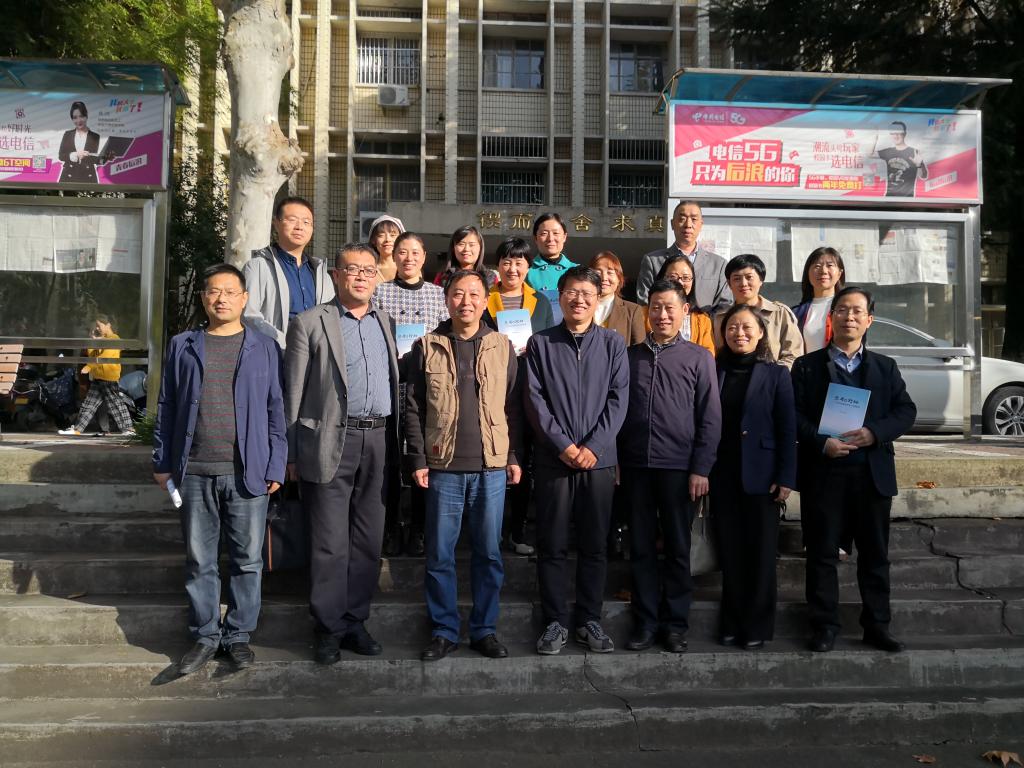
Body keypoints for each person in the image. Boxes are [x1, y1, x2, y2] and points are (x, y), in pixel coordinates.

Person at [152, 264, 286, 675]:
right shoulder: (183, 345)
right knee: (200, 559)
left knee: (247, 559)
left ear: (245, 299)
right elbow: (166, 405)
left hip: (248, 471)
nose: (221, 298)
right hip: (193, 471)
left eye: (230, 291)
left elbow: (276, 409)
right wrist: (162, 461)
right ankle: (206, 635)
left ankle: (238, 635)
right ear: (203, 298)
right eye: (213, 291)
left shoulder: (264, 346)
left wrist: (277, 462)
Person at [284, 243, 401, 665]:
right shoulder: (310, 322)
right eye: (353, 269)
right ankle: (328, 626)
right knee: (330, 542)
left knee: (368, 539)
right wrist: (291, 454)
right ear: (336, 275)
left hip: (379, 440)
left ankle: (355, 620)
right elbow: (293, 392)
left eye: (369, 270)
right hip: (331, 440)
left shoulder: (385, 321)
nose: (362, 277)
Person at [405, 269, 522, 661]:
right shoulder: (427, 345)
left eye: (474, 294)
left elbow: (513, 406)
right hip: (443, 466)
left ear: (486, 300)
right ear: (446, 299)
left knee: (489, 554)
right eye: (458, 294)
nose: (466, 302)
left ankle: (484, 630)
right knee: (440, 555)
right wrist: (418, 458)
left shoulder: (502, 345)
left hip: (491, 467)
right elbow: (414, 407)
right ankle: (444, 630)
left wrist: (513, 455)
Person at [792, 287, 917, 654]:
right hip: (824, 473)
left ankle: (877, 626)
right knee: (821, 555)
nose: (849, 317)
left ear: (869, 320)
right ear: (831, 317)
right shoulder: (807, 366)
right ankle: (824, 626)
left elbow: (905, 411)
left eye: (857, 311)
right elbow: (793, 415)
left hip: (871, 474)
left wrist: (874, 432)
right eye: (842, 310)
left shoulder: (885, 367)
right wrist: (822, 442)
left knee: (875, 556)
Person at [524, 266, 629, 655]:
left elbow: (619, 398)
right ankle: (554, 621)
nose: (579, 299)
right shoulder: (541, 343)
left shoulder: (613, 343)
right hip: (555, 461)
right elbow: (534, 399)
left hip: (598, 462)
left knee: (594, 544)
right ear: (560, 296)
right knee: (551, 543)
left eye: (587, 293)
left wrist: (594, 447)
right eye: (571, 292)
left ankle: (589, 620)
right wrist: (563, 446)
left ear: (598, 298)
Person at [619, 279, 720, 654]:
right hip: (635, 466)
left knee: (678, 548)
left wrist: (701, 468)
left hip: (680, 469)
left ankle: (676, 625)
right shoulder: (629, 356)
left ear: (684, 312)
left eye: (670, 308)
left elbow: (710, 418)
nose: (662, 315)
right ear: (647, 311)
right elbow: (616, 411)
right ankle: (645, 622)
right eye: (656, 307)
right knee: (641, 547)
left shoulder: (699, 357)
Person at [711, 303, 796, 650]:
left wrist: (786, 476)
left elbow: (787, 428)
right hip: (722, 475)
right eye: (732, 327)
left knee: (760, 555)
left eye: (747, 327)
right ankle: (731, 622)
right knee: (730, 553)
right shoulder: (714, 370)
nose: (739, 333)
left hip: (763, 476)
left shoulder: (776, 375)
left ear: (761, 333)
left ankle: (757, 626)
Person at [372, 231, 449, 557]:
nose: (408, 258)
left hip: (426, 388)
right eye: (402, 252)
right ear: (394, 256)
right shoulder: (380, 292)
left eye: (415, 252)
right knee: (390, 459)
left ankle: (419, 528)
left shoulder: (437, 294)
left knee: (423, 457)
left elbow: (445, 337)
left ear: (424, 256)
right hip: (389, 385)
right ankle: (390, 527)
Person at [483, 236, 556, 557]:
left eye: (519, 262)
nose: (512, 268)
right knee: (491, 460)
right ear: (498, 265)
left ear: (528, 267)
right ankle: (490, 532)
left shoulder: (540, 302)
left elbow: (549, 347)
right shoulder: (485, 299)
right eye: (507, 261)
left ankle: (517, 531)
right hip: (490, 390)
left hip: (527, 389)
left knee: (522, 460)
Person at [243, 196, 336, 349]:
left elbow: (330, 318)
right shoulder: (258, 266)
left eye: (306, 222)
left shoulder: (322, 274)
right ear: (276, 223)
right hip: (274, 353)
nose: (299, 227)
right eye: (292, 220)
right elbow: (249, 316)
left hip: (314, 355)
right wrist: (287, 344)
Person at [713, 254, 803, 369]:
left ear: (761, 280)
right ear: (729, 283)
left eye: (749, 277)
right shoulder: (720, 317)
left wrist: (772, 374)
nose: (743, 283)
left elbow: (793, 354)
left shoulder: (779, 313)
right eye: (737, 279)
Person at [635, 200, 729, 310]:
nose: (688, 225)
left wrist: (703, 320)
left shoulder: (719, 264)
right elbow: (644, 302)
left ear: (701, 225)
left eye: (694, 219)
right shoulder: (653, 261)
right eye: (682, 219)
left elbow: (725, 305)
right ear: (672, 224)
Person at [58, 314, 134, 436]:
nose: (97, 328)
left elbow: (104, 357)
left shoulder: (114, 339)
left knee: (116, 404)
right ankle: (77, 429)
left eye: (99, 325)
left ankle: (129, 429)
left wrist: (89, 367)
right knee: (88, 405)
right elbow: (92, 355)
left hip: (108, 378)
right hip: (98, 378)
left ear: (108, 325)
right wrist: (93, 341)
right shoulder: (102, 340)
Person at [655, 254, 716, 356]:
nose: (679, 282)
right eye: (672, 277)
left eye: (685, 278)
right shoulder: (645, 314)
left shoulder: (702, 319)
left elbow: (708, 355)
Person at [792, 247, 846, 354]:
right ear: (808, 273)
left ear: (839, 273)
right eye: (817, 266)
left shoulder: (848, 308)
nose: (823, 271)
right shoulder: (795, 313)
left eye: (830, 265)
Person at [590, 251, 646, 346]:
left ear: (619, 279)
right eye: (598, 272)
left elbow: (639, 349)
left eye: (610, 273)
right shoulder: (580, 307)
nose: (604, 278)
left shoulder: (632, 311)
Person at [525, 213, 577, 300]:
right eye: (544, 233)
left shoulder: (577, 270)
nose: (550, 239)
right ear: (535, 238)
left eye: (556, 233)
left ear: (564, 237)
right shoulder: (525, 270)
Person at [871, 121, 928, 197]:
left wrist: (919, 166)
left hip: (907, 198)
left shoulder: (914, 152)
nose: (896, 136)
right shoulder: (888, 151)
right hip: (889, 197)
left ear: (904, 134)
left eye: (899, 133)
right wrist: (874, 139)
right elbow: (870, 154)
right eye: (893, 133)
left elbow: (924, 176)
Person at [433, 225, 497, 287]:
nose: (466, 249)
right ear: (453, 248)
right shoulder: (443, 277)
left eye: (472, 245)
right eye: (461, 244)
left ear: (480, 248)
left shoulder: (490, 278)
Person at [58, 101, 100, 184]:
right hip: (68, 176)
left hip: (88, 176)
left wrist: (104, 158)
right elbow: (61, 156)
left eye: (81, 116)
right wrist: (75, 155)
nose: (78, 120)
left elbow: (94, 158)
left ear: (86, 116)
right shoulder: (68, 134)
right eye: (75, 117)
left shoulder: (95, 136)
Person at [368, 214, 405, 283]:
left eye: (392, 235)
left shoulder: (408, 268)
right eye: (381, 235)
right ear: (373, 240)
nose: (387, 239)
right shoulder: (367, 270)